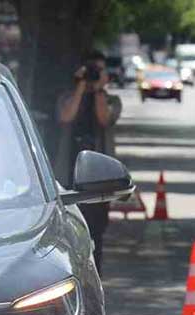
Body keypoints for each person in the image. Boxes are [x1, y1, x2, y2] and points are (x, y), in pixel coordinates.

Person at [58, 50, 121, 271]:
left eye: (99, 70)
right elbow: (66, 116)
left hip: (100, 178)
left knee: (96, 232)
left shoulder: (112, 99)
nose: (95, 74)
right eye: (91, 69)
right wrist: (81, 86)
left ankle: (95, 276)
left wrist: (98, 90)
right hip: (68, 175)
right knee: (68, 231)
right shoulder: (69, 95)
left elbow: (104, 118)